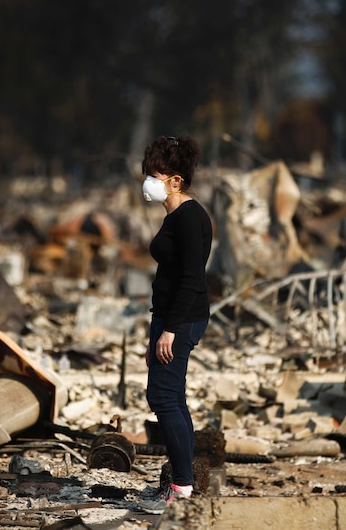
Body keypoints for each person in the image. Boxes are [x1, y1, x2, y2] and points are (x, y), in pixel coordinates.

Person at [138, 135, 213, 513]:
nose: (148, 182)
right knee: (172, 396)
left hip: (180, 320)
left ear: (175, 180)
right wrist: (156, 329)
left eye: (155, 174)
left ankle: (182, 486)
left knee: (164, 398)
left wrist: (169, 330)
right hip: (168, 318)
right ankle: (184, 480)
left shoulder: (189, 217)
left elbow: (191, 279)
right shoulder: (176, 216)